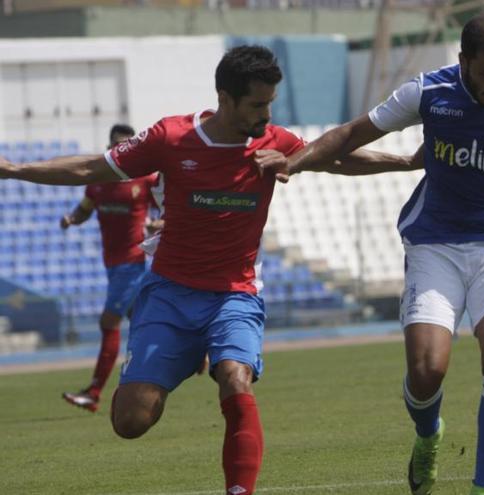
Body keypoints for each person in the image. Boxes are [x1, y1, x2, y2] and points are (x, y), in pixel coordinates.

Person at [0, 45, 416, 495]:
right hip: (169, 293)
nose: (266, 113)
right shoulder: (171, 138)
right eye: (257, 104)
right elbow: (90, 167)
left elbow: (335, 158)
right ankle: (170, 358)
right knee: (131, 421)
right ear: (226, 98)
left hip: (234, 295)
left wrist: (408, 162)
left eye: (270, 103)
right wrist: (14, 169)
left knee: (236, 378)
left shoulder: (274, 142)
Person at [257, 13, 484, 495]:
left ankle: (482, 487)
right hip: (435, 245)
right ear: (463, 60)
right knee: (426, 373)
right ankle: (428, 436)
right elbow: (350, 134)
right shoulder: (427, 93)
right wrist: (294, 164)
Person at [60, 123, 162, 413]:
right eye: (118, 145)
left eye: (128, 145)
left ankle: (94, 392)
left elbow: (172, 206)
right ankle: (191, 355)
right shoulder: (98, 181)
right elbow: (84, 209)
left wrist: (160, 223)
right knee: (143, 323)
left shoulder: (145, 180)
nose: (123, 150)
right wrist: (70, 219)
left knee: (109, 322)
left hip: (134, 261)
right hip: (112, 265)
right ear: (110, 146)